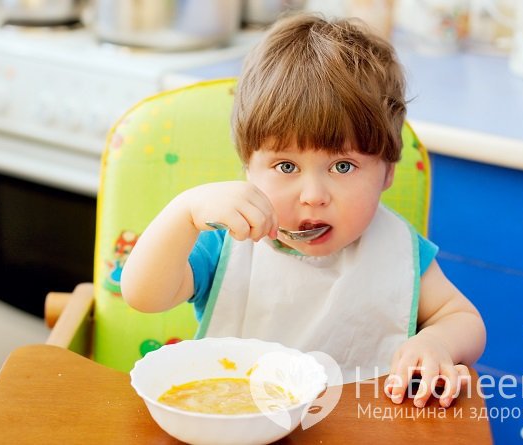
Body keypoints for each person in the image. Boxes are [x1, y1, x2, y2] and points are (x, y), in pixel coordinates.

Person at [121, 14, 485, 409]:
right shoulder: (227, 244)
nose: (313, 196)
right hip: (237, 425)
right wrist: (183, 214)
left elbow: (463, 318)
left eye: (342, 166)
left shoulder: (399, 252)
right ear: (248, 168)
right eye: (286, 167)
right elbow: (142, 295)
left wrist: (435, 341)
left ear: (387, 173)